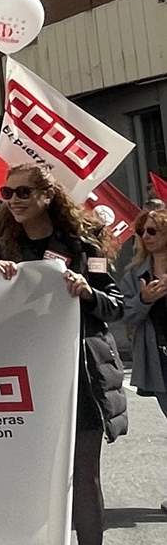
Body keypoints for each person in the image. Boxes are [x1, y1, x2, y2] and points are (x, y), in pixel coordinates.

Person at [0, 164, 125, 545]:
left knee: (85, 478)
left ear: (48, 195)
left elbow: (116, 306)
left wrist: (88, 293)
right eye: (7, 192)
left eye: (24, 191)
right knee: (32, 477)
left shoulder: (84, 247)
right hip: (23, 377)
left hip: (80, 374)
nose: (14, 199)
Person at [119, 206, 167, 515]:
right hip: (158, 354)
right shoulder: (134, 273)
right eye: (142, 232)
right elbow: (127, 315)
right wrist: (145, 300)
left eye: (153, 231)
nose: (146, 237)